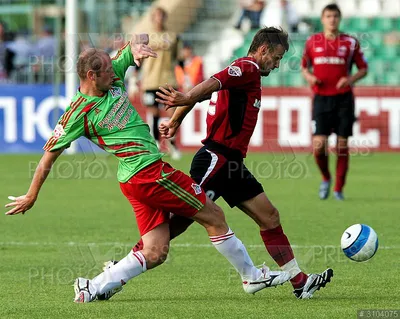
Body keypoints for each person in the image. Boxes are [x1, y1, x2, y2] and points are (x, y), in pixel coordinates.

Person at [4, 34, 290, 303]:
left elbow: (132, 46)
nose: (115, 74)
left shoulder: (110, 73)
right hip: (150, 173)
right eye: (107, 72)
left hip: (133, 179)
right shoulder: (77, 113)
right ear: (91, 76)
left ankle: (92, 287)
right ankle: (251, 277)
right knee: (214, 215)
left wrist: (137, 45)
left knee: (155, 251)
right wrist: (31, 195)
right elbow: (48, 157)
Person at [129, 27, 333, 300]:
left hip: (233, 164)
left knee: (269, 217)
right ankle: (129, 260)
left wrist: (176, 120)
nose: (278, 63)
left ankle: (300, 281)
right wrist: (186, 99)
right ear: (263, 50)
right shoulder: (247, 67)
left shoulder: (246, 74)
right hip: (216, 158)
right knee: (181, 219)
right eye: (277, 57)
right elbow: (211, 83)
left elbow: (203, 91)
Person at [301, 3, 368, 200]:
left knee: (341, 145)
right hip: (321, 99)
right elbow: (304, 66)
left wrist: (350, 79)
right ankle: (326, 177)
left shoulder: (350, 42)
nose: (332, 20)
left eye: (335, 16)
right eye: (328, 16)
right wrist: (310, 77)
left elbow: (363, 68)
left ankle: (338, 189)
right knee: (319, 145)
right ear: (322, 19)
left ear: (339, 19)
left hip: (344, 99)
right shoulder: (312, 42)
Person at [140, 7, 181, 160]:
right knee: (154, 113)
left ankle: (172, 144)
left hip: (168, 80)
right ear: (152, 18)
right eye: (157, 16)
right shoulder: (146, 37)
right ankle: (156, 143)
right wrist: (133, 80)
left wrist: (186, 78)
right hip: (150, 81)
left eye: (162, 16)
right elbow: (138, 60)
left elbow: (178, 57)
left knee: (172, 114)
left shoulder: (172, 36)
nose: (159, 19)